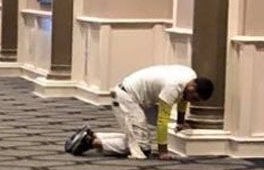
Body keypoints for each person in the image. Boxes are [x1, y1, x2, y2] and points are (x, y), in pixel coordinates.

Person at [65, 65, 214, 160]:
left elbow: (183, 99)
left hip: (139, 99)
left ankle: (92, 136)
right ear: (192, 87)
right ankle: (92, 142)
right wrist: (163, 151)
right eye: (194, 98)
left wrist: (181, 122)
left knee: (138, 139)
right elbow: (162, 120)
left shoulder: (190, 77)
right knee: (142, 149)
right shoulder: (173, 87)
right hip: (126, 98)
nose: (192, 101)